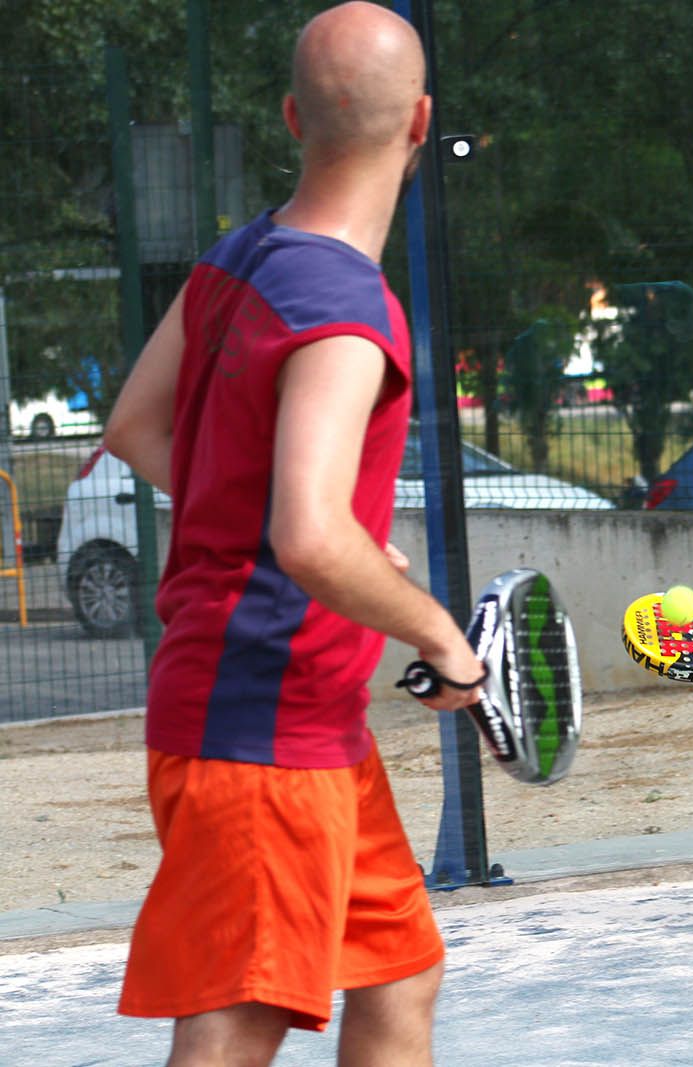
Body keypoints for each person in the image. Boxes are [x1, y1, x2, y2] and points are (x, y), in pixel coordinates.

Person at [105, 4, 483, 1063]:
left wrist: (346, 543)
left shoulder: (243, 258)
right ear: (420, 121)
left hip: (302, 722)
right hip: (261, 725)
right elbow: (310, 538)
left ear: (290, 117)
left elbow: (136, 426)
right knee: (241, 1015)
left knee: (399, 974)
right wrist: (438, 634)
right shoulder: (348, 312)